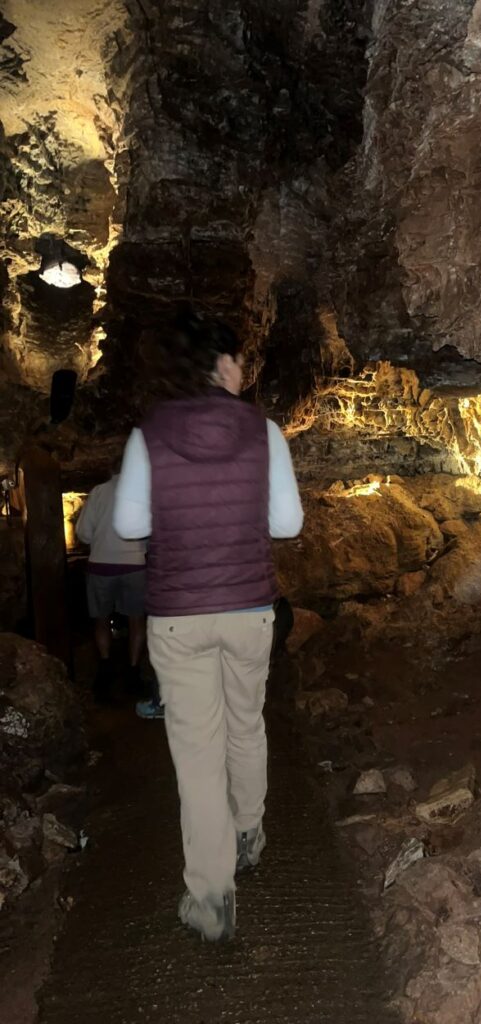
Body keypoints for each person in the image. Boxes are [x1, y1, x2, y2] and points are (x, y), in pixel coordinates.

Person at [113, 310, 303, 942]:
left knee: (196, 753)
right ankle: (249, 830)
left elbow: (131, 527)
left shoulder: (148, 435)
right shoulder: (265, 431)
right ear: (220, 364)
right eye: (239, 360)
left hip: (177, 617)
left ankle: (211, 895)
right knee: (246, 724)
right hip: (249, 609)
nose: (244, 370)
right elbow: (287, 526)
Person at [76, 459, 148, 703]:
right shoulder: (143, 494)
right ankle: (133, 672)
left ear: (110, 470)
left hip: (101, 564)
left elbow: (83, 532)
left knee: (101, 619)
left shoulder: (98, 492)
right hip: (135, 565)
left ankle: (105, 669)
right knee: (137, 621)